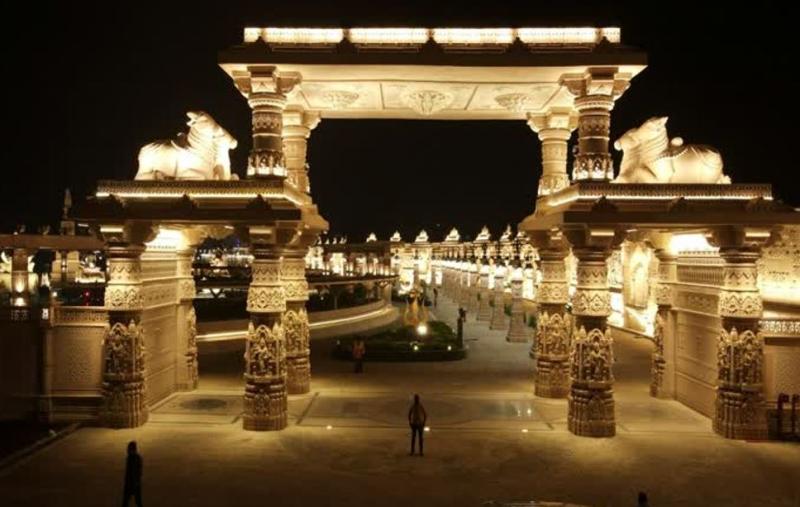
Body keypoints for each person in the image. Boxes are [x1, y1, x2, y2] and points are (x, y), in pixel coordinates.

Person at [121, 441, 143, 507]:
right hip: (132, 483)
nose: (127, 450)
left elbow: (136, 471)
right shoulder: (132, 458)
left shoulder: (133, 458)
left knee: (132, 501)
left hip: (132, 483)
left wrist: (135, 481)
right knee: (136, 501)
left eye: (129, 449)